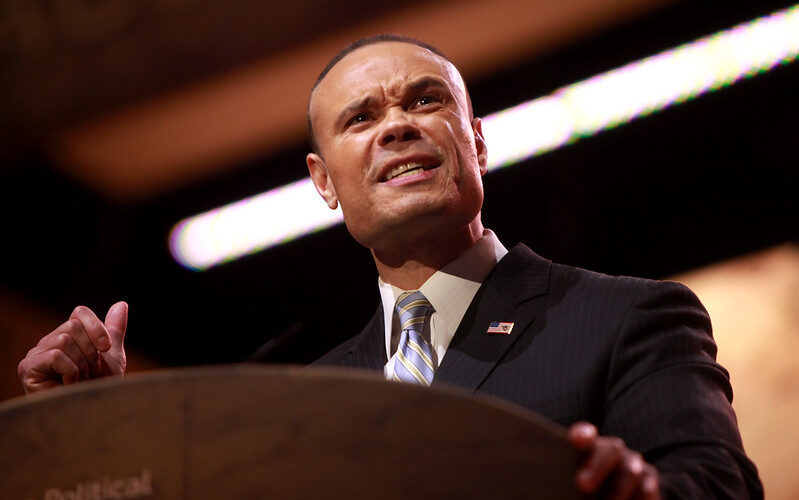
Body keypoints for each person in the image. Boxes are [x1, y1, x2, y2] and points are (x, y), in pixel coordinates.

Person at [18, 34, 762, 499]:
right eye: (361, 117)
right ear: (323, 183)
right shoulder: (299, 400)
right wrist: (96, 434)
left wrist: (640, 495)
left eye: (425, 101)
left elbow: (720, 487)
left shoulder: (625, 317)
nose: (398, 125)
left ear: (476, 143)